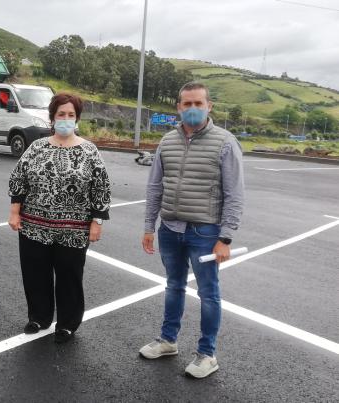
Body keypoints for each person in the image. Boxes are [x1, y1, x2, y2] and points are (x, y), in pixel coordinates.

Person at [139, 82, 244, 378]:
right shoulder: (166, 142)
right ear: (178, 107)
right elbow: (155, 186)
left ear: (209, 106)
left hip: (206, 232)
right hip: (170, 230)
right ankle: (168, 341)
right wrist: (150, 226)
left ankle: (207, 354)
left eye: (199, 103)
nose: (193, 109)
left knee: (209, 293)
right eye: (187, 104)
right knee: (174, 286)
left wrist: (225, 237)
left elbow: (235, 194)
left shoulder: (225, 142)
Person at [8, 93, 111, 343]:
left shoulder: (89, 151)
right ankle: (39, 317)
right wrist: (14, 211)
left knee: (70, 277)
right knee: (35, 274)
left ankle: (67, 324)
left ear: (77, 119)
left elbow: (101, 187)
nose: (66, 119)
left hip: (73, 230)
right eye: (61, 114)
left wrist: (96, 222)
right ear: (52, 118)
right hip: (34, 225)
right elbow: (19, 179)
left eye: (71, 115)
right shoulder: (37, 148)